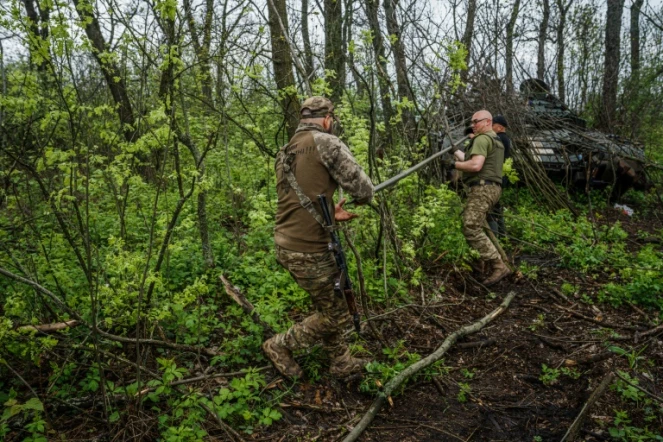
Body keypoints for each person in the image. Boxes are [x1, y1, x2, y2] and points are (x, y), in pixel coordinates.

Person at [263, 96, 374, 379]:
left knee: (328, 302)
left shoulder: (286, 150)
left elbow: (299, 197)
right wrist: (360, 200)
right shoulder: (327, 142)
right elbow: (363, 190)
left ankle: (340, 362)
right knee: (338, 314)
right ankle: (280, 345)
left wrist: (329, 212)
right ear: (328, 119)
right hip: (308, 249)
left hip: (286, 241)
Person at [448, 110, 512, 286]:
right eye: (472, 122)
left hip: (482, 188)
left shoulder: (482, 138)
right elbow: (471, 159)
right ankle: (479, 265)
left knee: (470, 226)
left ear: (487, 122)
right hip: (491, 188)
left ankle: (498, 265)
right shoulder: (494, 140)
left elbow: (475, 165)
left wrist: (453, 165)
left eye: (476, 121)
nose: (473, 125)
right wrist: (456, 153)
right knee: (479, 224)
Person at [487, 115, 511, 238]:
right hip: (502, 177)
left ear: (500, 127)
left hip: (497, 177)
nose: (491, 127)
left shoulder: (500, 139)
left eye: (493, 125)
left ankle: (495, 237)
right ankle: (502, 234)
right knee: (496, 205)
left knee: (491, 208)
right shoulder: (505, 139)